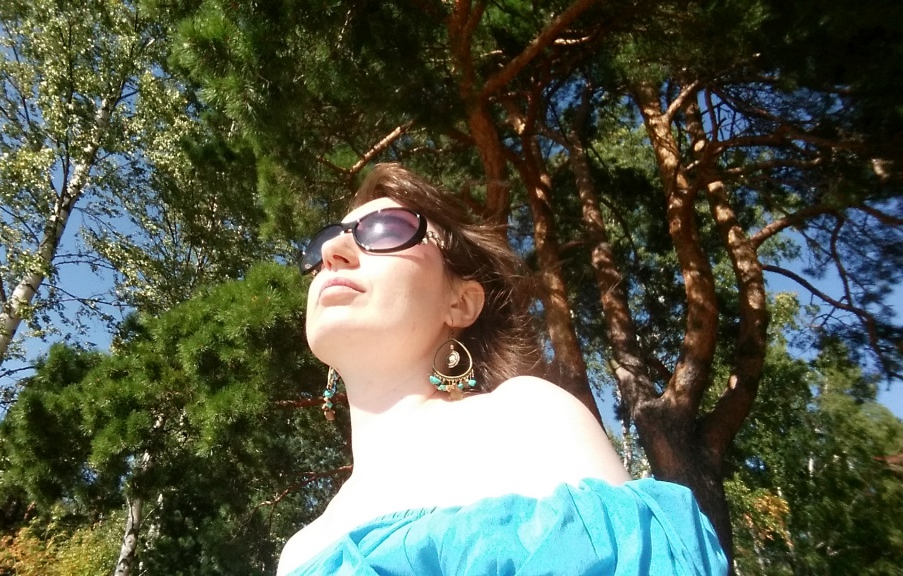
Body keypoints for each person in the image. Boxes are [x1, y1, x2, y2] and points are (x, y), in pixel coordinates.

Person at [277, 164, 727, 576]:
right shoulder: (299, 552)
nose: (333, 250)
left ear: (460, 302)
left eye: (386, 229)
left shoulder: (527, 420)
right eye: (323, 240)